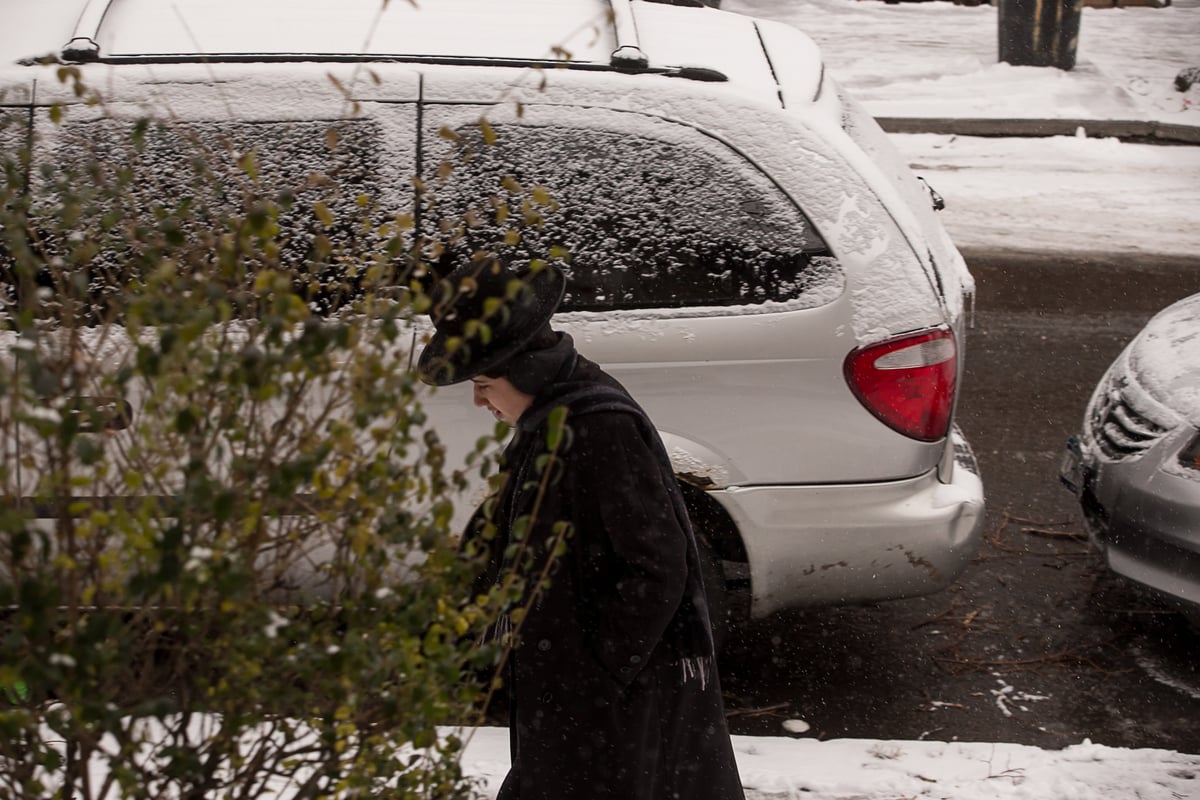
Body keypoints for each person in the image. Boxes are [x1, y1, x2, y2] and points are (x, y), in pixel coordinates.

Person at [418, 256, 745, 800]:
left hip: (607, 707)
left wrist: (600, 673)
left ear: (523, 369)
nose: (479, 400)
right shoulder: (550, 420)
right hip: (567, 693)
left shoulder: (598, 429)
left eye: (483, 382)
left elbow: (657, 566)